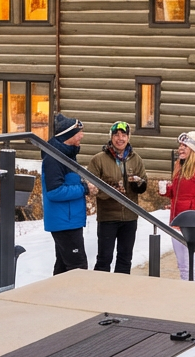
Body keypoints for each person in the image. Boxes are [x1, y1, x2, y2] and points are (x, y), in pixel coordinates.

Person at [86, 121, 148, 274]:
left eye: (123, 135)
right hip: (108, 217)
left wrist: (138, 182)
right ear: (111, 137)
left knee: (125, 258)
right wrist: (110, 190)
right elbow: (90, 186)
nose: (120, 138)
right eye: (116, 135)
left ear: (128, 137)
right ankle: (100, 291)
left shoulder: (136, 158)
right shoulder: (98, 159)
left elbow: (143, 184)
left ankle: (120, 291)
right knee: (104, 259)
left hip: (130, 217)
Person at [42, 113, 96, 275]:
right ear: (68, 135)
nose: (82, 135)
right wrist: (84, 189)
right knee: (77, 267)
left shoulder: (66, 155)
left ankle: (55, 299)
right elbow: (54, 191)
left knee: (63, 267)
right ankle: (73, 300)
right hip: (64, 222)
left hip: (69, 220)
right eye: (78, 132)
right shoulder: (54, 159)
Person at [159, 128, 195, 281]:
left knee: (190, 264)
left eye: (185, 146)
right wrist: (166, 190)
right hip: (177, 221)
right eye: (180, 145)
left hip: (191, 225)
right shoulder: (181, 166)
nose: (180, 149)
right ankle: (189, 295)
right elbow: (179, 193)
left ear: (194, 149)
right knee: (183, 265)